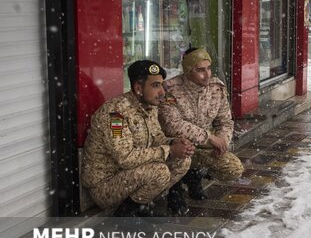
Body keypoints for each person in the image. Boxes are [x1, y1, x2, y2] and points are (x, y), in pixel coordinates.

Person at [82, 60, 195, 217]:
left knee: (183, 160)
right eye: (155, 86)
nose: (162, 92)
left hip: (130, 176)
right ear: (138, 88)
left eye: (162, 85)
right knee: (159, 172)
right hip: (106, 185)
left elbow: (157, 138)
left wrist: (174, 143)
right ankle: (126, 214)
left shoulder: (149, 107)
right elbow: (125, 158)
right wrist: (169, 150)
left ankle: (142, 204)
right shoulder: (116, 114)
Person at [159, 47, 244, 198]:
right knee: (181, 152)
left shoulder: (216, 89)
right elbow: (173, 125)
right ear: (188, 71)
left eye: (208, 68)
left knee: (234, 168)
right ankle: (174, 187)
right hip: (177, 146)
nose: (207, 75)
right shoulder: (170, 90)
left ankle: (195, 175)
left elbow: (224, 121)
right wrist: (210, 138)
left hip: (203, 147)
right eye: (200, 70)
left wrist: (223, 141)